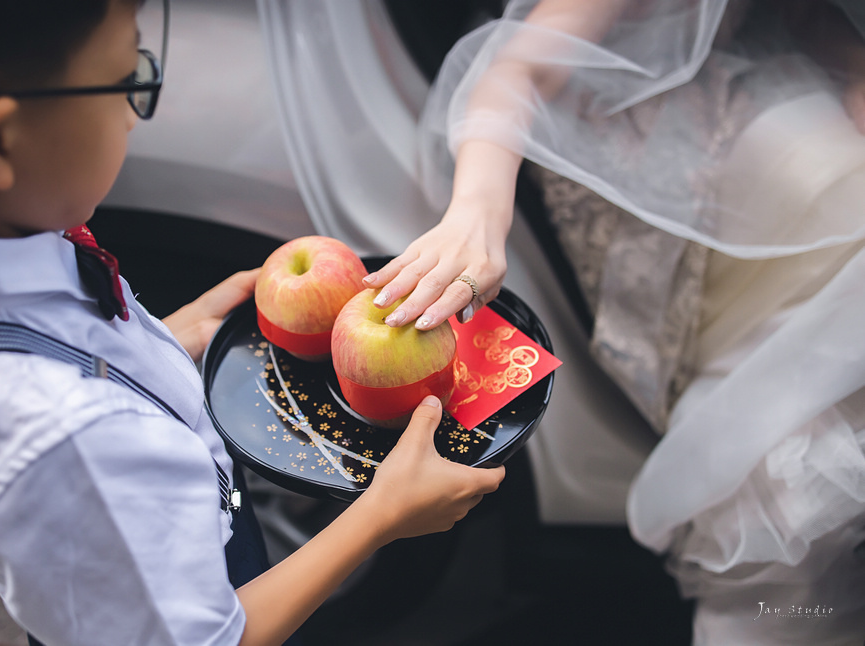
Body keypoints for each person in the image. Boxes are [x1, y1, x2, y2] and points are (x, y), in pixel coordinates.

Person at [0, 2, 505, 646]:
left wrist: (171, 339)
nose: (133, 113)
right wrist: (382, 515)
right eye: (128, 79)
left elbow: (64, 349)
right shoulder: (59, 434)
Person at [366, 0, 865, 643]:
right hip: (663, 157)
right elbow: (519, 70)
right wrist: (477, 216)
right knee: (784, 475)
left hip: (778, 101)